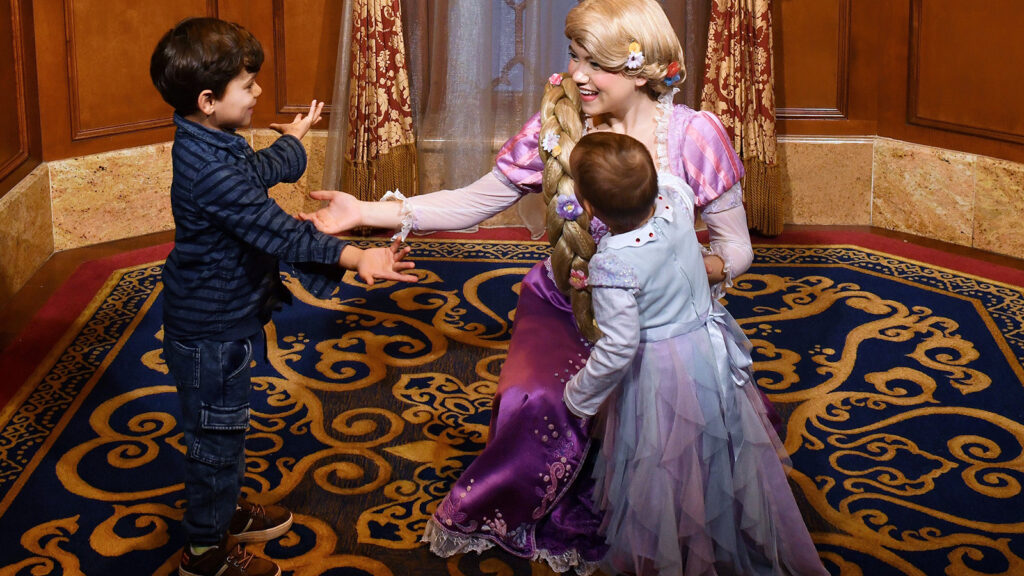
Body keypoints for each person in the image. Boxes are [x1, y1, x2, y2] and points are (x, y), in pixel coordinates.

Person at [301, 1, 785, 573]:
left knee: (683, 425)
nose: (577, 74)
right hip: (565, 300)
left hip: (659, 318)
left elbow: (736, 253)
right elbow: (476, 201)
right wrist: (368, 211)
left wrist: (659, 276)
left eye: (596, 63)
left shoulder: (696, 136)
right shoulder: (558, 128)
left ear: (641, 69)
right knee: (530, 400)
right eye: (574, 57)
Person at [149, 17, 418, 576]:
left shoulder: (206, 141)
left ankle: (223, 513)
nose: (258, 92)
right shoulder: (210, 170)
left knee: (226, 427)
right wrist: (359, 256)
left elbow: (256, 170)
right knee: (214, 442)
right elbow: (282, 232)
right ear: (208, 99)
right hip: (211, 332)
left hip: (223, 319)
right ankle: (205, 553)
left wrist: (290, 143)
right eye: (247, 86)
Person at [563, 131, 826, 576]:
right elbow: (671, 180)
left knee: (663, 457)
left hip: (660, 371)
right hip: (707, 348)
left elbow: (619, 345)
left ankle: (673, 546)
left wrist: (579, 393)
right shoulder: (676, 206)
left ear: (589, 209)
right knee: (712, 436)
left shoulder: (610, 264)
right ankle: (718, 513)